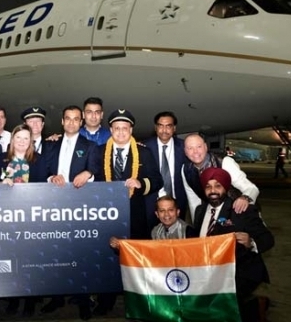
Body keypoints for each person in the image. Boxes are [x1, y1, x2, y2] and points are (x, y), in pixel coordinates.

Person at [92, 109, 164, 316]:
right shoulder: (98, 152)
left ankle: (139, 302)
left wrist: (141, 183)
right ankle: (106, 301)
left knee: (136, 259)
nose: (121, 132)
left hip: (136, 214)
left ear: (131, 129)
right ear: (111, 130)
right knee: (108, 257)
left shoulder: (143, 152)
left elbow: (158, 181)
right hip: (107, 214)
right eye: (116, 128)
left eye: (125, 128)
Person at [41, 105, 99, 320]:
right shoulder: (50, 145)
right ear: (62, 122)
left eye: (76, 119)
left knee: (80, 255)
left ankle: (83, 301)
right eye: (68, 119)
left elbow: (96, 169)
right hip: (54, 209)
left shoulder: (90, 146)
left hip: (79, 209)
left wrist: (88, 173)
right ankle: (56, 298)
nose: (72, 122)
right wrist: (51, 178)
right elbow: (44, 171)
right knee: (55, 254)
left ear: (81, 122)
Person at [193, 167, 274, 322]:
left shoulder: (241, 209)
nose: (213, 191)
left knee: (226, 302)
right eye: (208, 187)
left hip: (241, 271)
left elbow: (268, 239)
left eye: (218, 186)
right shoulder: (200, 210)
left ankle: (254, 308)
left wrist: (251, 242)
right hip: (211, 269)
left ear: (226, 187)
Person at [0, 123, 50, 317]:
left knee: (31, 261)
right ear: (12, 140)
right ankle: (13, 298)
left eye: (26, 139)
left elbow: (43, 189)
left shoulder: (38, 161)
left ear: (31, 142)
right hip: (6, 220)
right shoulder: (1, 160)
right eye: (18, 138)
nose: (22, 142)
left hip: (31, 220)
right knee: (11, 261)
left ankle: (30, 300)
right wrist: (0, 184)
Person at [182, 133, 259, 223]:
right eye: (190, 148)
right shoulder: (185, 170)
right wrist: (198, 224)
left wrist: (245, 198)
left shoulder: (224, 162)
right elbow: (193, 202)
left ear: (206, 147)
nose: (195, 152)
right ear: (185, 152)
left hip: (238, 213)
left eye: (199, 146)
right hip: (213, 216)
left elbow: (252, 188)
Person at [144, 111, 190, 226]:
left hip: (177, 202)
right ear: (155, 128)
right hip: (151, 203)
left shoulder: (184, 147)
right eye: (160, 126)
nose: (164, 130)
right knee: (151, 238)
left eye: (168, 126)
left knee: (177, 239)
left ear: (174, 128)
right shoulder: (144, 148)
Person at [109, 195, 197, 249]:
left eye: (170, 210)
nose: (166, 214)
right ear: (157, 214)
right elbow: (140, 249)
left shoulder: (189, 232)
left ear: (177, 212)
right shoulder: (153, 231)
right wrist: (122, 246)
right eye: (162, 211)